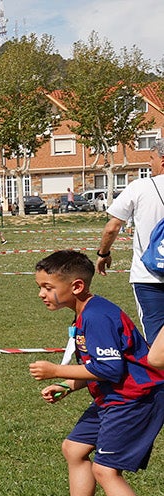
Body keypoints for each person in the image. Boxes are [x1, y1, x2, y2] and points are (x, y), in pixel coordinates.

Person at [30, 250, 164, 496]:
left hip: (135, 399)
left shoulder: (98, 316)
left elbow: (110, 368)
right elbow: (99, 366)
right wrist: (68, 386)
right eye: (40, 287)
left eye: (48, 287)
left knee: (106, 470)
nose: (42, 294)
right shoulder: (84, 315)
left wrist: (56, 371)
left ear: (76, 286)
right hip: (112, 396)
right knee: (74, 449)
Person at [93, 139, 164, 343]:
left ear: (162, 160)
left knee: (156, 338)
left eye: (151, 158)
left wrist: (103, 254)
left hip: (148, 276)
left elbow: (112, 227)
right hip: (148, 278)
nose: (149, 163)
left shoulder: (139, 187)